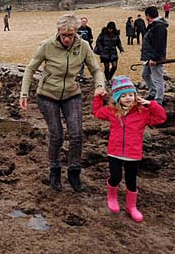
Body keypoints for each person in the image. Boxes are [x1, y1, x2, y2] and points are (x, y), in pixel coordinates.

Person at [19, 14, 106, 192]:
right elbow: (30, 68)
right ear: (58, 32)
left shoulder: (83, 46)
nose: (67, 39)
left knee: (76, 134)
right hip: (47, 95)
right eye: (63, 34)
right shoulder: (46, 46)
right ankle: (55, 170)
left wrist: (99, 86)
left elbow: (96, 69)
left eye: (71, 35)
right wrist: (24, 93)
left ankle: (74, 172)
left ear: (76, 33)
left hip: (72, 94)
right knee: (57, 134)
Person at [93, 76, 166, 222]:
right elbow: (97, 112)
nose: (128, 98)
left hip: (133, 153)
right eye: (124, 95)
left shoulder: (143, 113)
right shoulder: (112, 111)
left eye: (131, 95)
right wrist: (98, 97)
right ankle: (112, 196)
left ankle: (131, 206)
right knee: (115, 177)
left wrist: (151, 104)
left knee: (131, 181)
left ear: (135, 96)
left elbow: (161, 118)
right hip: (114, 152)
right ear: (117, 98)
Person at [141, 6, 168, 105]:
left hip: (155, 58)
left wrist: (154, 58)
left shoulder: (159, 26)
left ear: (148, 15)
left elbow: (159, 45)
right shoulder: (154, 25)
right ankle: (153, 92)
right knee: (145, 74)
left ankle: (158, 100)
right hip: (148, 57)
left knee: (157, 78)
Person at [76, 16, 94, 81]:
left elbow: (91, 36)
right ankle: (79, 73)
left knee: (86, 61)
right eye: (83, 21)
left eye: (85, 21)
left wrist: (90, 41)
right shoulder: (77, 29)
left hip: (87, 46)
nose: (84, 22)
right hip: (79, 47)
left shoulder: (88, 29)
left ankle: (81, 73)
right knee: (80, 61)